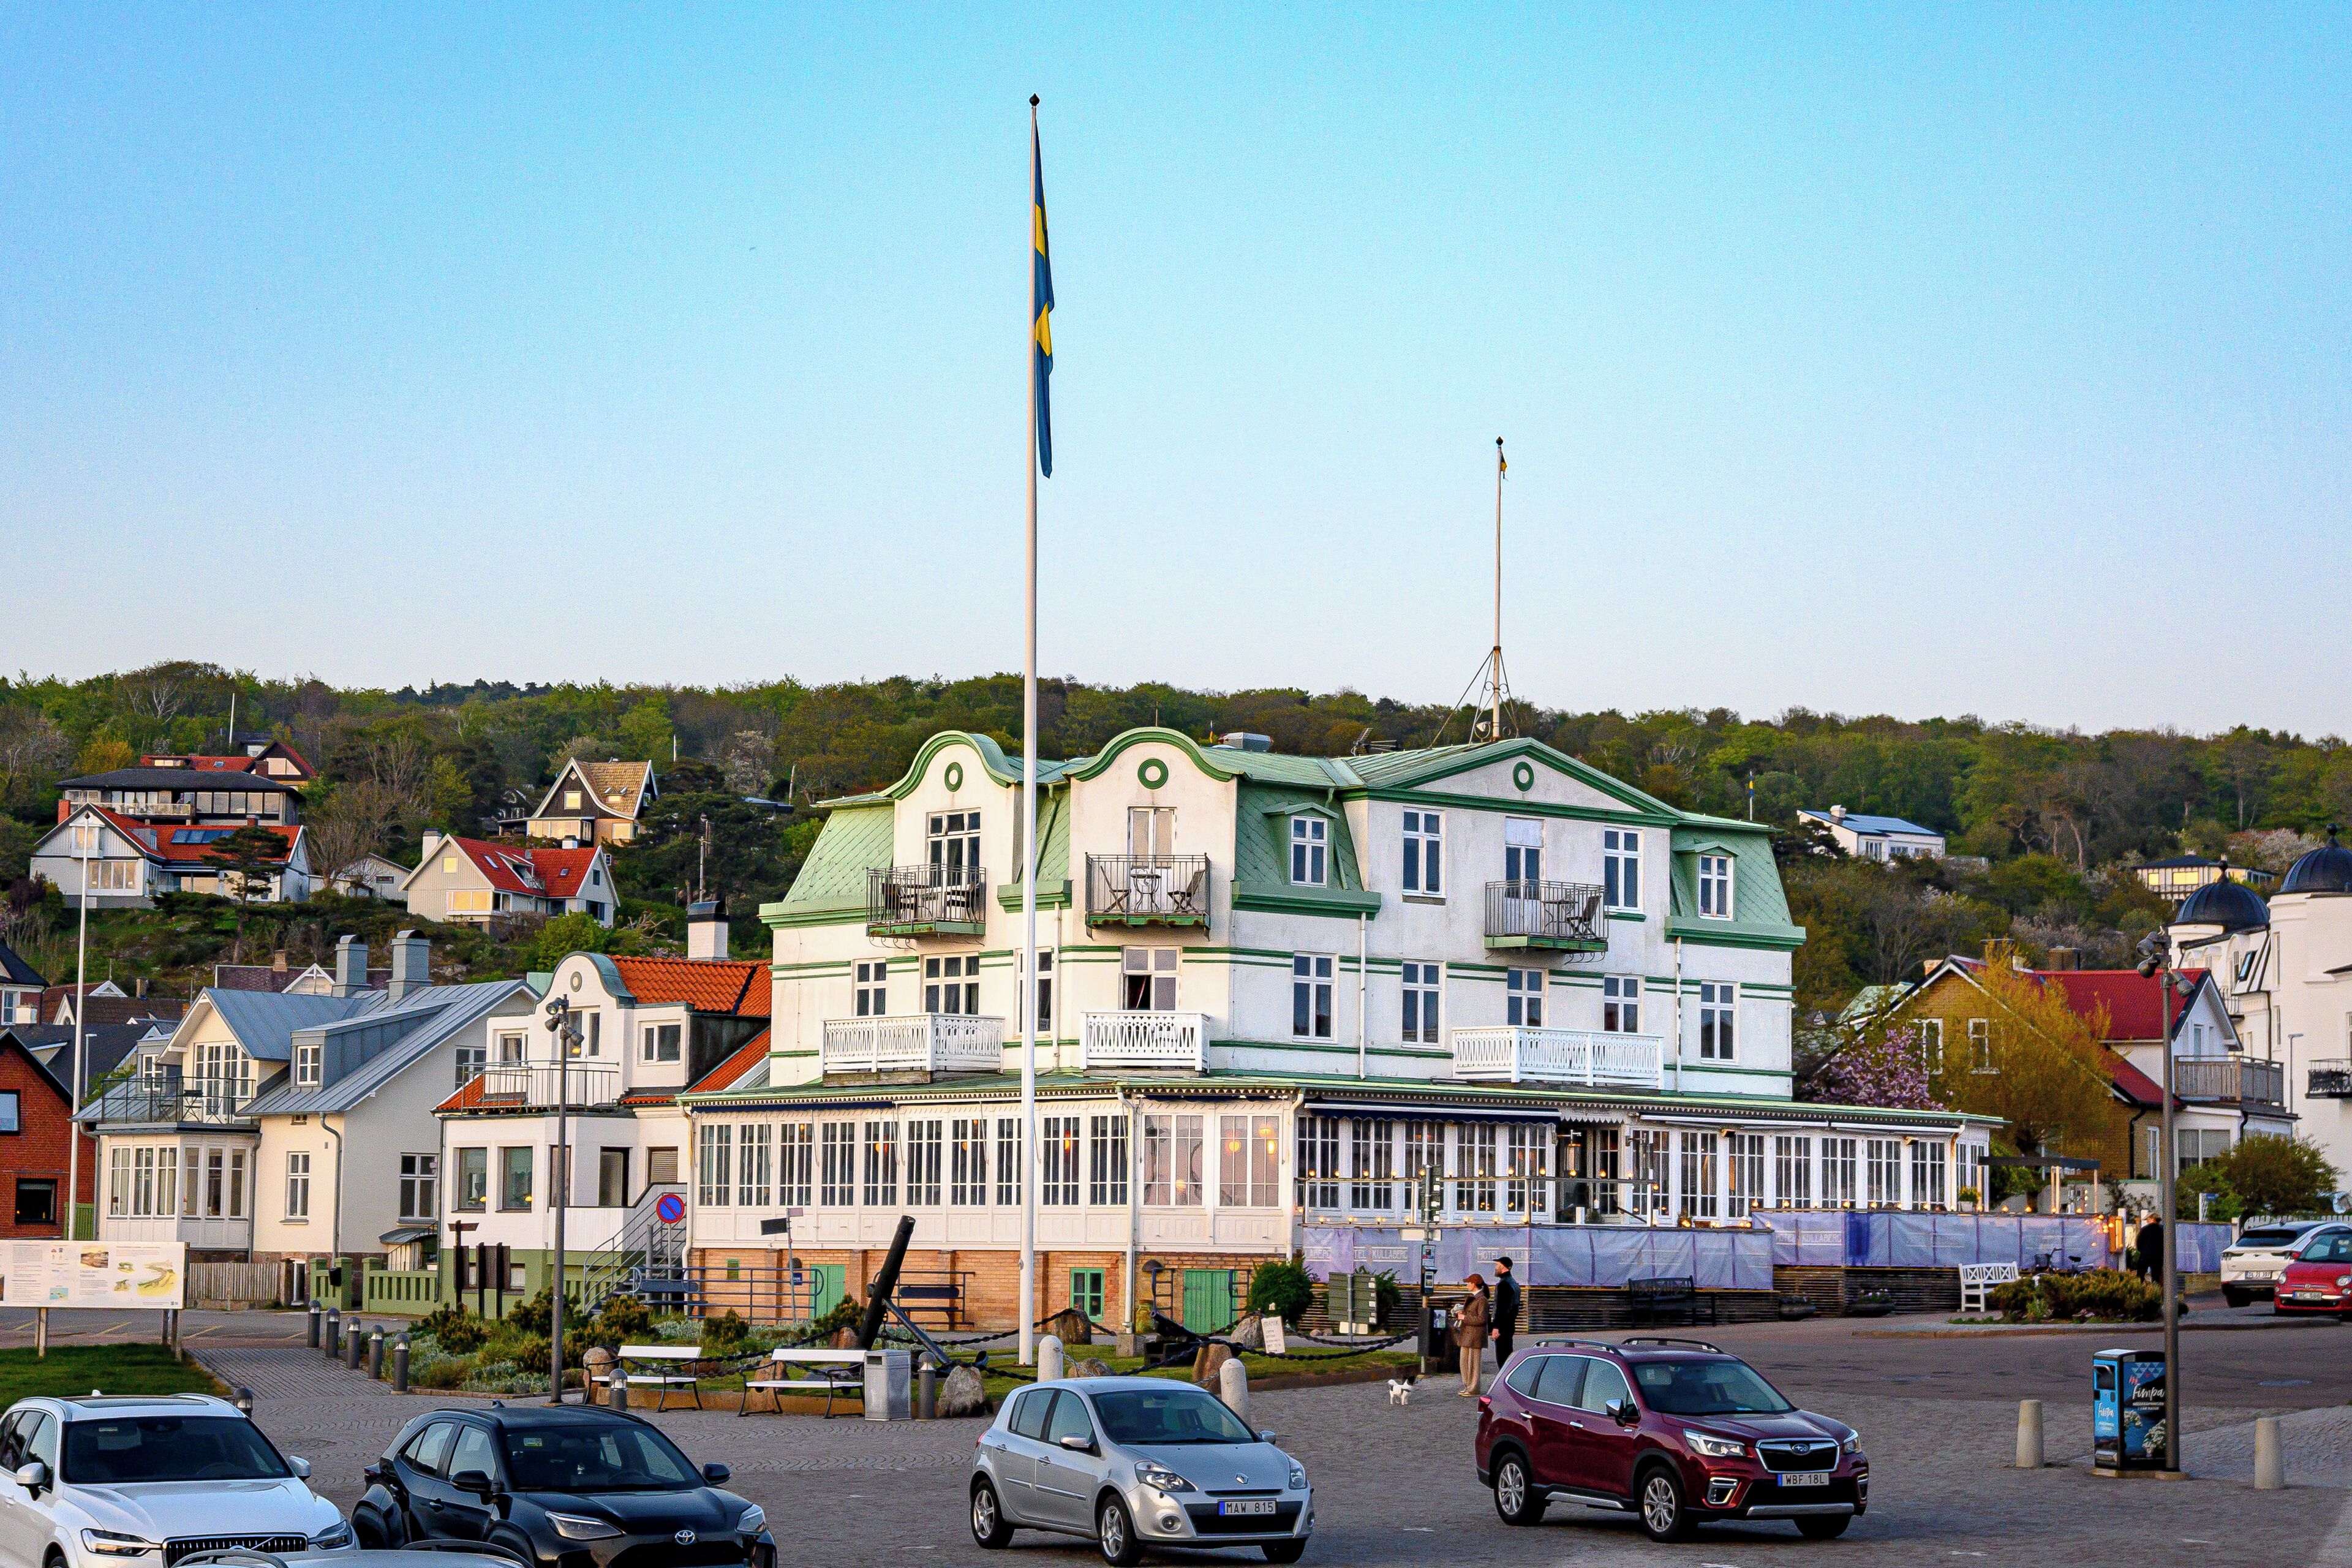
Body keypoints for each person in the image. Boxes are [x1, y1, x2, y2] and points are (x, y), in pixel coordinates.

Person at [1453, 1275, 1491, 1396]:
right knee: (1464, 1362)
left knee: (1473, 1364)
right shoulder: (1473, 1298)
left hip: (1475, 1337)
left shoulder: (1482, 1300)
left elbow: (1482, 1319)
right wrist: (1460, 1314)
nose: (1467, 1285)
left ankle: (1474, 1389)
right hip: (1467, 1336)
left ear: (1474, 1284)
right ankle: (1467, 1386)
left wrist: (1465, 1317)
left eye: (1468, 1283)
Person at [1490, 1256, 1521, 1371]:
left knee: (1502, 1358)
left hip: (1503, 1327)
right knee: (1508, 1354)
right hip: (1510, 1325)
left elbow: (1501, 1308)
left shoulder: (1504, 1284)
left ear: (1503, 1267)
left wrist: (1496, 1327)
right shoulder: (1514, 1284)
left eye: (1497, 1266)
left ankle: (1504, 1383)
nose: (1496, 1268)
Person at [2136, 1214, 2165, 1281]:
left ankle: (2139, 1289)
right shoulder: (2163, 1230)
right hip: (2158, 1257)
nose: (2147, 1221)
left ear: (2152, 1219)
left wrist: (2142, 1251)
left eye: (2148, 1220)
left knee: (2140, 1275)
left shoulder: (2145, 1229)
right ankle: (2156, 1289)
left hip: (2145, 1256)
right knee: (2156, 1276)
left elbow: (2139, 1242)